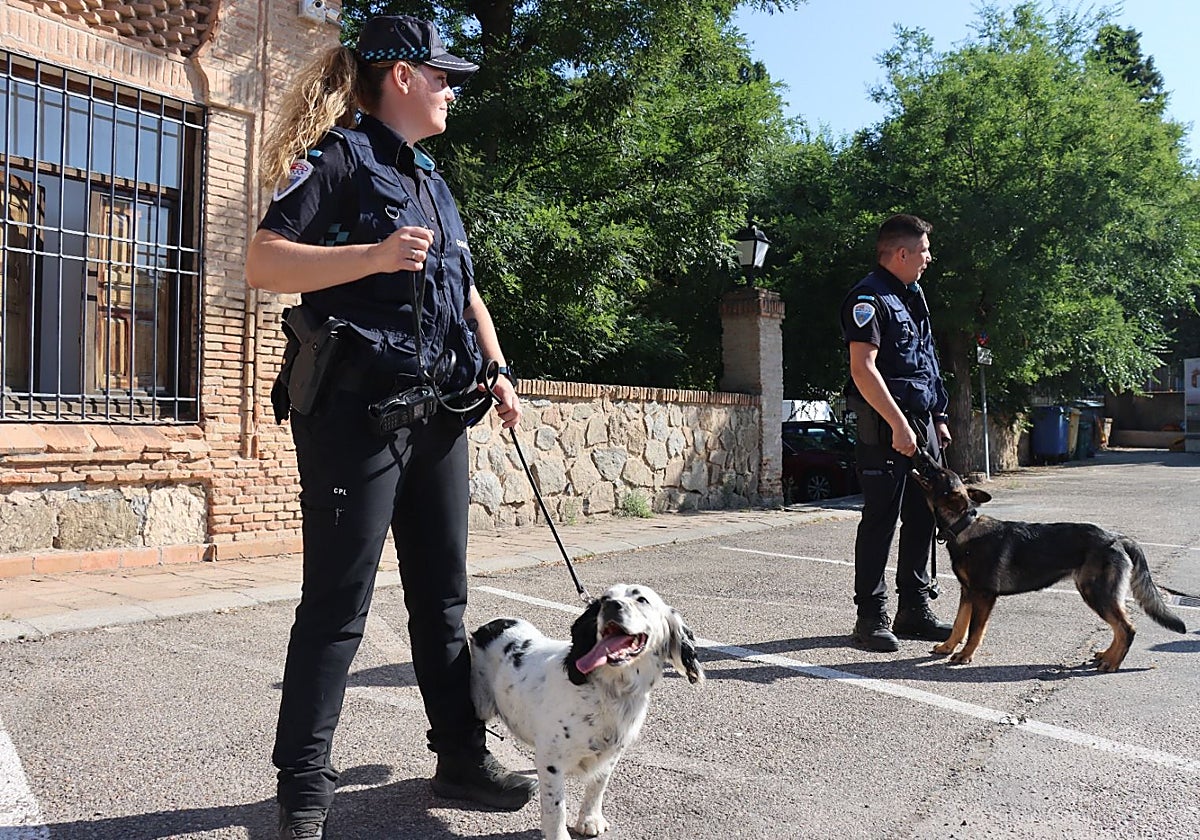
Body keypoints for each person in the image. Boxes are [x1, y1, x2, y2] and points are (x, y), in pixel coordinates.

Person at [244, 15, 535, 839]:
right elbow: (263, 262)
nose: (452, 90)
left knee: (443, 600)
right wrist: (370, 256)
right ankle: (303, 790)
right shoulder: (336, 157)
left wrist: (497, 365)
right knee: (337, 605)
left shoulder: (432, 178)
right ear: (400, 76)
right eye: (442, 76)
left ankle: (459, 758)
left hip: (439, 412)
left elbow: (463, 286)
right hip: (354, 416)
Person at [839, 213, 954, 653]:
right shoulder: (868, 298)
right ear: (902, 253)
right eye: (924, 250)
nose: (929, 258)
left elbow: (926, 360)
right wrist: (899, 426)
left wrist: (938, 417)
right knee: (881, 520)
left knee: (924, 516)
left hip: (920, 422)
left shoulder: (913, 296)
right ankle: (870, 617)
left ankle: (914, 610)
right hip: (884, 424)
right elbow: (863, 369)